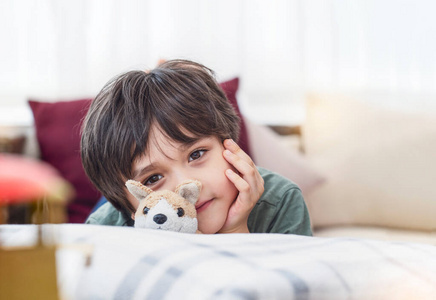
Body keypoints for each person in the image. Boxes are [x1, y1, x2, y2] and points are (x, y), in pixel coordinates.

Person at [81, 59, 312, 235]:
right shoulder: (105, 230)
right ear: (131, 213)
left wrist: (235, 232)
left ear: (229, 146)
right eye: (152, 179)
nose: (188, 185)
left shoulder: (281, 201)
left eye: (196, 154)